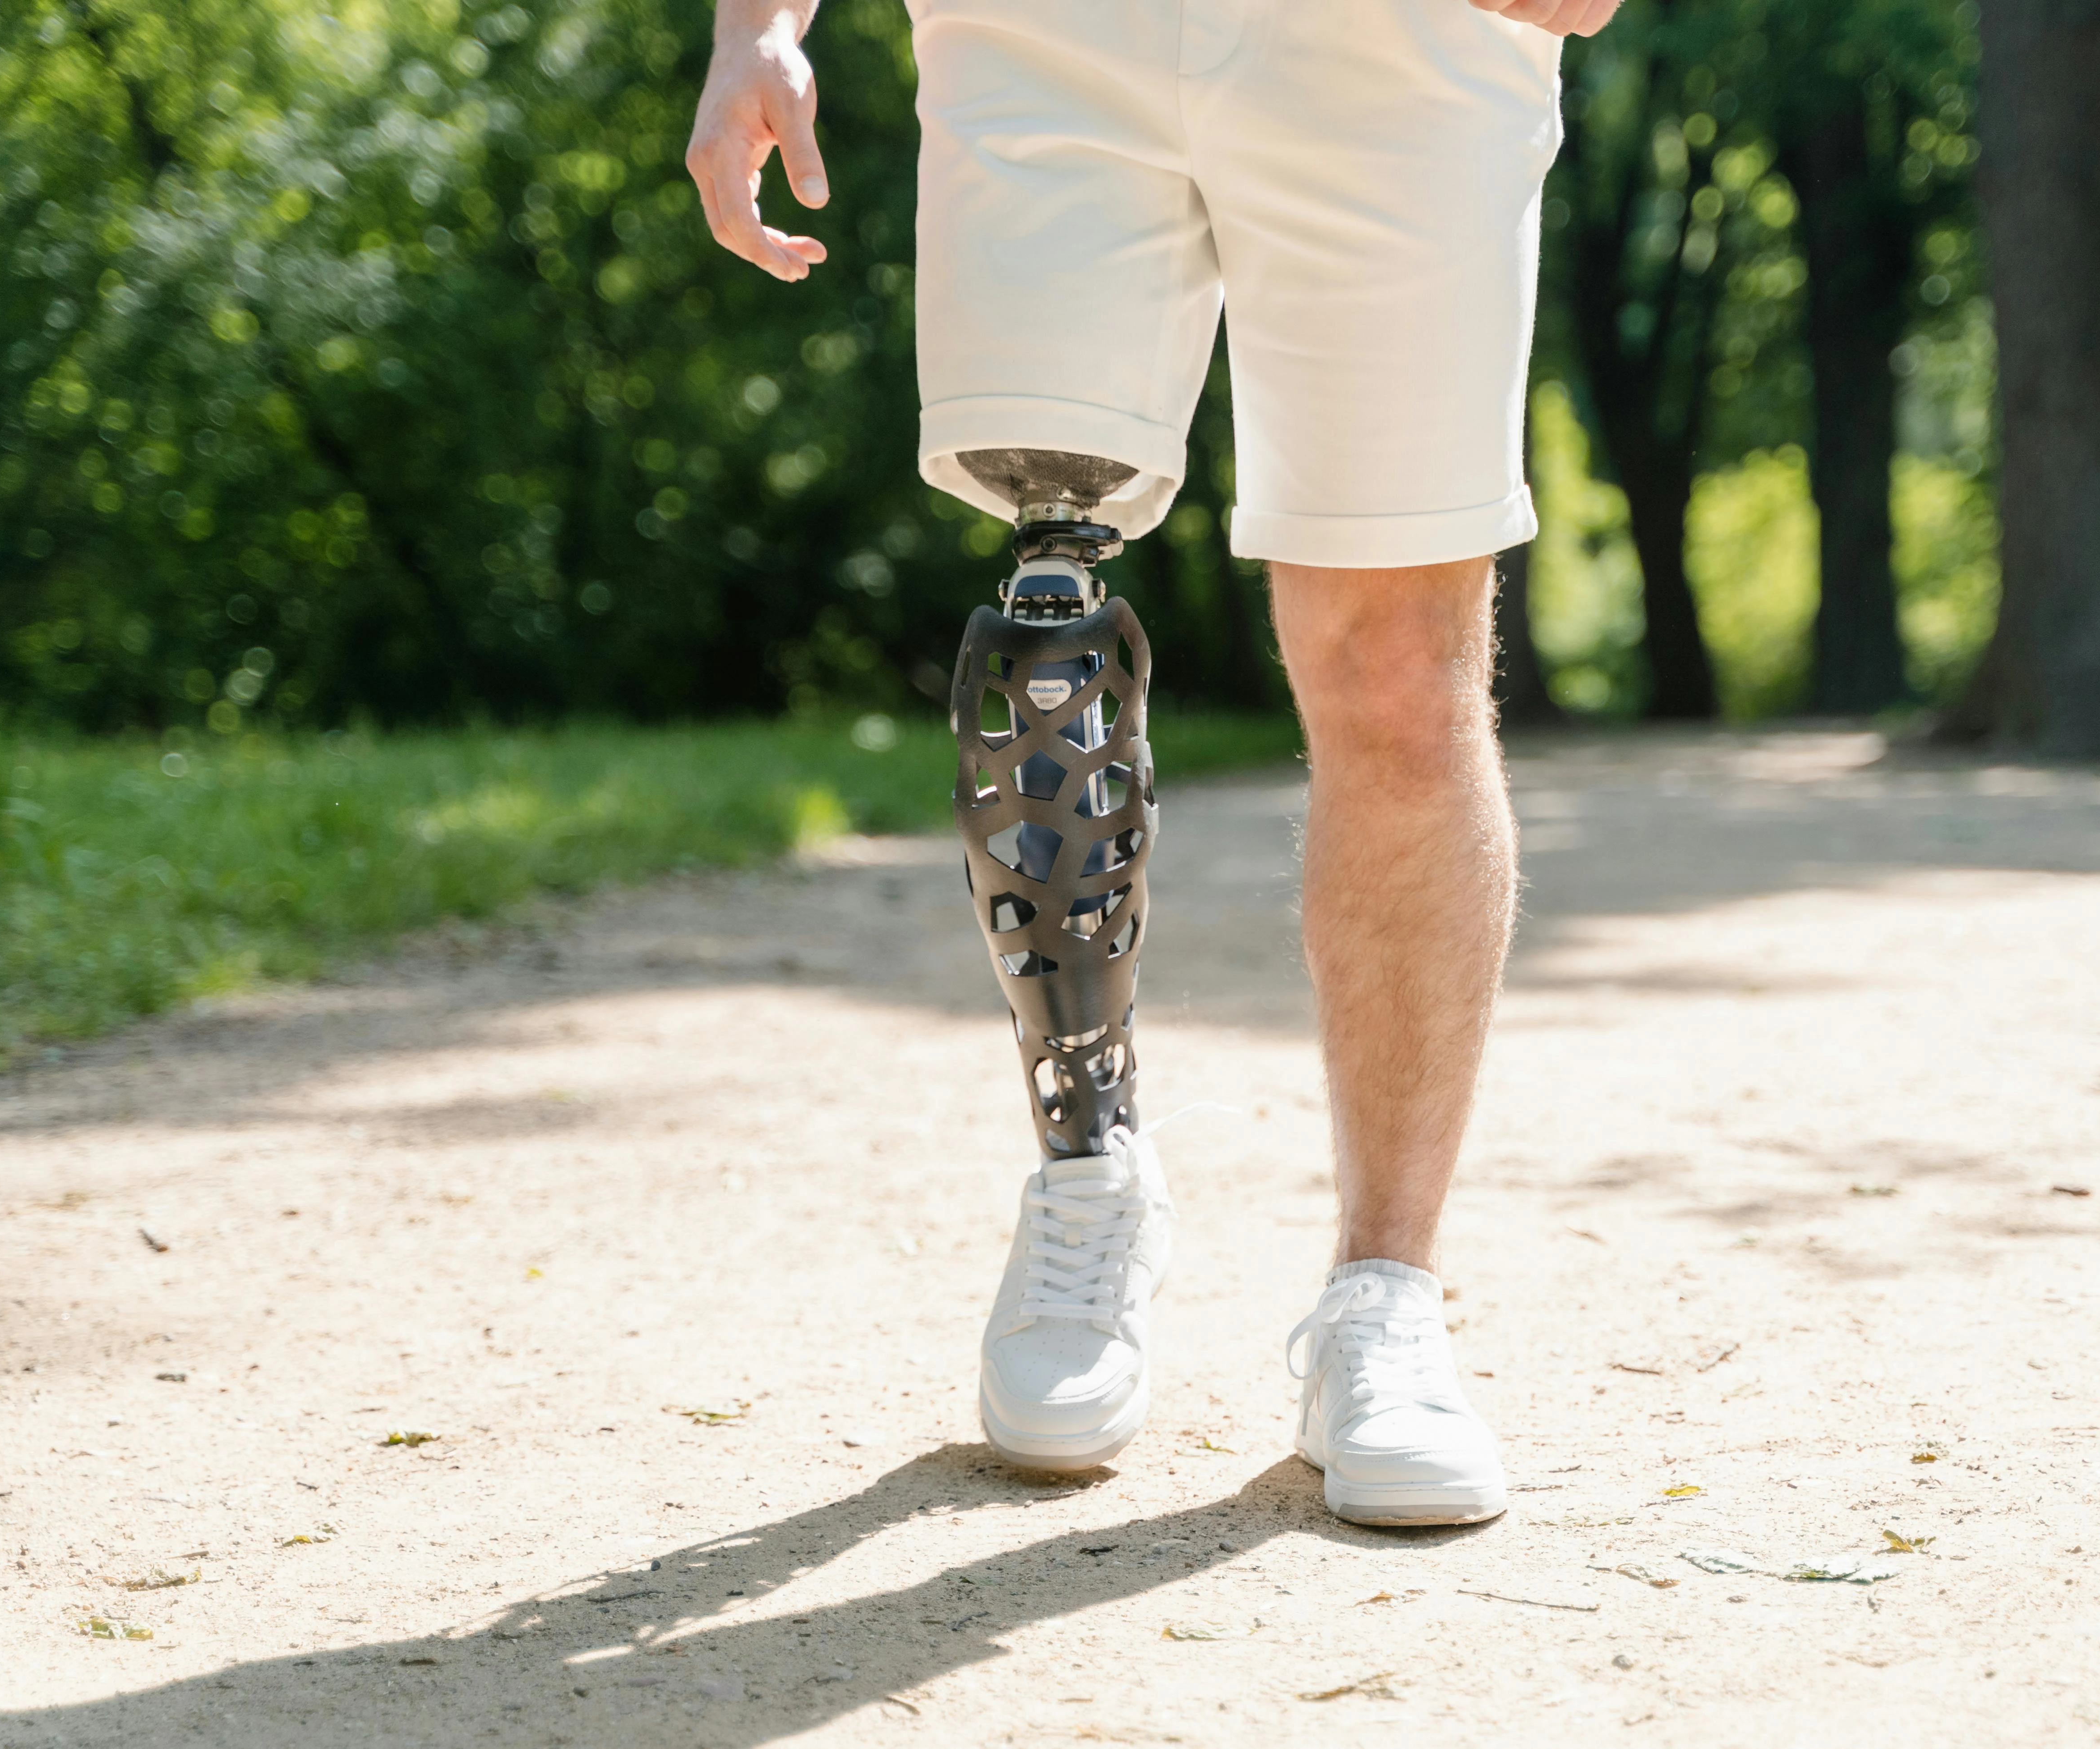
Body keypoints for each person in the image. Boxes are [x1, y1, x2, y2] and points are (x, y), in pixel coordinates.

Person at [688, 0, 1620, 1526]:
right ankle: (1088, 1171)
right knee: (1043, 637)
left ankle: (1383, 1299)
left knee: (1399, 670)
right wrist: (760, 23)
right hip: (1048, 29)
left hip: (1400, 41)